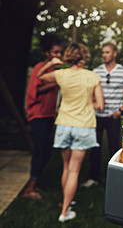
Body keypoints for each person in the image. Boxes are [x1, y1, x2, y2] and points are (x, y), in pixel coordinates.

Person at [37, 42, 104, 222]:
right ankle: (65, 212)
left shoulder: (61, 74)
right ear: (84, 57)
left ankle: (66, 201)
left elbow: (39, 76)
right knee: (74, 170)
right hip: (84, 125)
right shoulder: (93, 76)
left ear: (68, 56)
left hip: (64, 124)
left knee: (66, 167)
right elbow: (101, 105)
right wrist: (87, 104)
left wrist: (52, 63)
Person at [81, 42, 123, 188]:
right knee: (95, 148)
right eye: (103, 52)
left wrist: (121, 111)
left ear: (114, 54)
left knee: (114, 148)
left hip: (113, 116)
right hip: (97, 116)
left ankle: (114, 179)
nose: (104, 55)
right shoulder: (96, 71)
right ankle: (93, 178)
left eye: (107, 52)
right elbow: (90, 93)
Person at [24, 34, 62, 200]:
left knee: (38, 151)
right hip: (37, 114)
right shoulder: (41, 67)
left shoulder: (55, 71)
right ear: (47, 53)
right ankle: (30, 187)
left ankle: (33, 185)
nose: (58, 56)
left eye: (60, 53)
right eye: (55, 52)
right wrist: (57, 81)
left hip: (48, 115)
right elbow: (35, 90)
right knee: (45, 152)